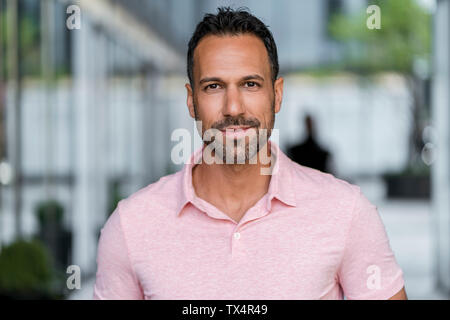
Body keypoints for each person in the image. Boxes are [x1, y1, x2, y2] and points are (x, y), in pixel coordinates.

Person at [93, 7, 407, 300]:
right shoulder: (130, 226)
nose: (233, 108)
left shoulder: (347, 213)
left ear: (277, 94)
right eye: (214, 86)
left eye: (251, 84)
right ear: (191, 101)